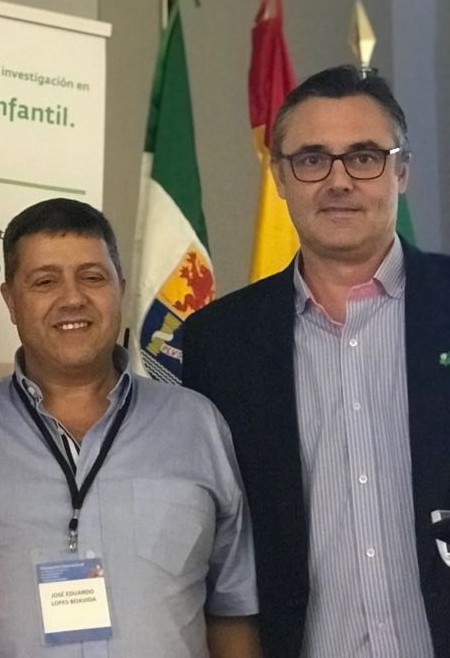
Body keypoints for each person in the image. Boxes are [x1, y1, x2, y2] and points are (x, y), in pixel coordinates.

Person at [182, 65, 450, 658]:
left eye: (364, 156)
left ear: (401, 170)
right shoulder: (217, 345)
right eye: (311, 159)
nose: (338, 181)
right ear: (280, 176)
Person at [0, 198, 260, 658]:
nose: (72, 298)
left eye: (92, 277)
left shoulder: (197, 424)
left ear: (120, 288)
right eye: (45, 281)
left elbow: (233, 609)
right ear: (10, 301)